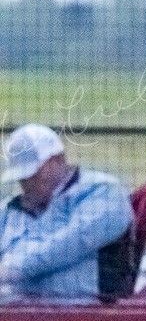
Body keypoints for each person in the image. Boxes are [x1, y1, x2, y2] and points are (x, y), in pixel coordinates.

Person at [0, 124, 133, 302]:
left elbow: (74, 241)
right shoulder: (11, 208)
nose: (25, 182)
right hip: (14, 312)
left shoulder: (103, 191)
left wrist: (12, 268)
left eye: (32, 174)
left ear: (57, 160)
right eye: (21, 176)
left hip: (76, 314)